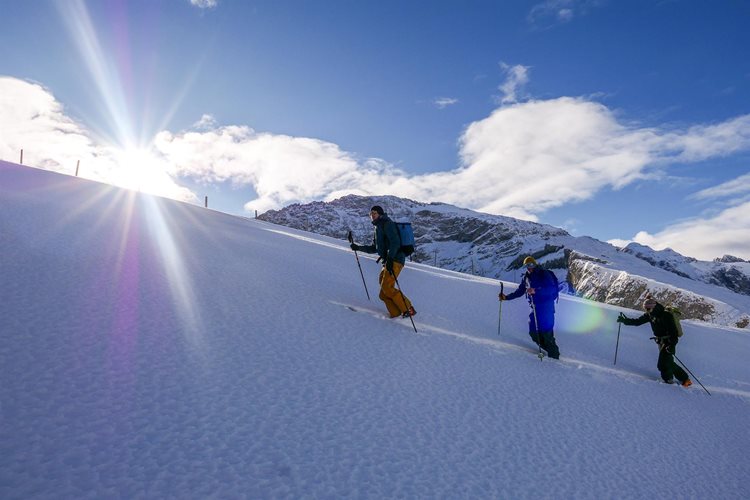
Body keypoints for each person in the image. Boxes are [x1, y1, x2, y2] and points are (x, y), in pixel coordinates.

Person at [349, 205, 416, 318]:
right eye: (371, 214)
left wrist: (390, 259)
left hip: (395, 259)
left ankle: (408, 309)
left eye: (374, 213)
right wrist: (358, 248)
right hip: (387, 261)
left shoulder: (387, 224)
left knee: (387, 287)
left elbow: (395, 243)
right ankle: (395, 314)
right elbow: (374, 248)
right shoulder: (377, 228)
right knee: (383, 294)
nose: (372, 215)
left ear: (380, 213)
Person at [617, 295, 693, 387]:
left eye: (648, 309)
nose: (647, 311)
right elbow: (638, 322)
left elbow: (674, 333)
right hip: (660, 341)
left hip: (668, 341)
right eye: (645, 309)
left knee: (662, 364)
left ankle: (670, 381)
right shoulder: (650, 315)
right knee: (668, 362)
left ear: (654, 307)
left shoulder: (666, 315)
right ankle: (683, 380)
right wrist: (625, 321)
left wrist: (671, 345)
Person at [500, 256, 560, 359]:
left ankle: (554, 357)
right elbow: (520, 291)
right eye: (527, 266)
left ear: (535, 264)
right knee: (533, 333)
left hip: (546, 307)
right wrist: (506, 297)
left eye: (531, 265)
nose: (529, 267)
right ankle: (549, 351)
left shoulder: (543, 273)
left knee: (547, 334)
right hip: (535, 308)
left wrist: (536, 290)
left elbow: (551, 289)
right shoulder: (527, 277)